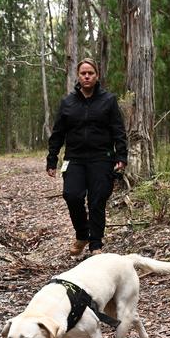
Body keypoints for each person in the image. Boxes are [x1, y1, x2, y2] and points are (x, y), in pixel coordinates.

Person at [46, 58, 127, 256]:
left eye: (90, 73)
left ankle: (95, 245)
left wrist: (121, 156)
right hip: (75, 158)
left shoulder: (108, 100)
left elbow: (118, 130)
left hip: (102, 158)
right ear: (78, 76)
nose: (87, 76)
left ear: (97, 75)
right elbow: (58, 133)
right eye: (83, 73)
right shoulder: (68, 102)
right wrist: (52, 159)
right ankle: (82, 234)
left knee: (97, 200)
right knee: (71, 195)